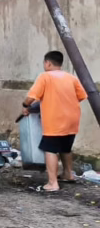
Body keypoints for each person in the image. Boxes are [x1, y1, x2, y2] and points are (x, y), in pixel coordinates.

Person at [23, 50, 88, 192]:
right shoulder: (71, 77)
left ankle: (52, 183)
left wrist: (25, 106)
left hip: (54, 119)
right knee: (66, 147)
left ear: (48, 63)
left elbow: (31, 98)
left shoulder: (45, 77)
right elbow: (82, 96)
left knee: (50, 149)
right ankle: (68, 174)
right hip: (72, 118)